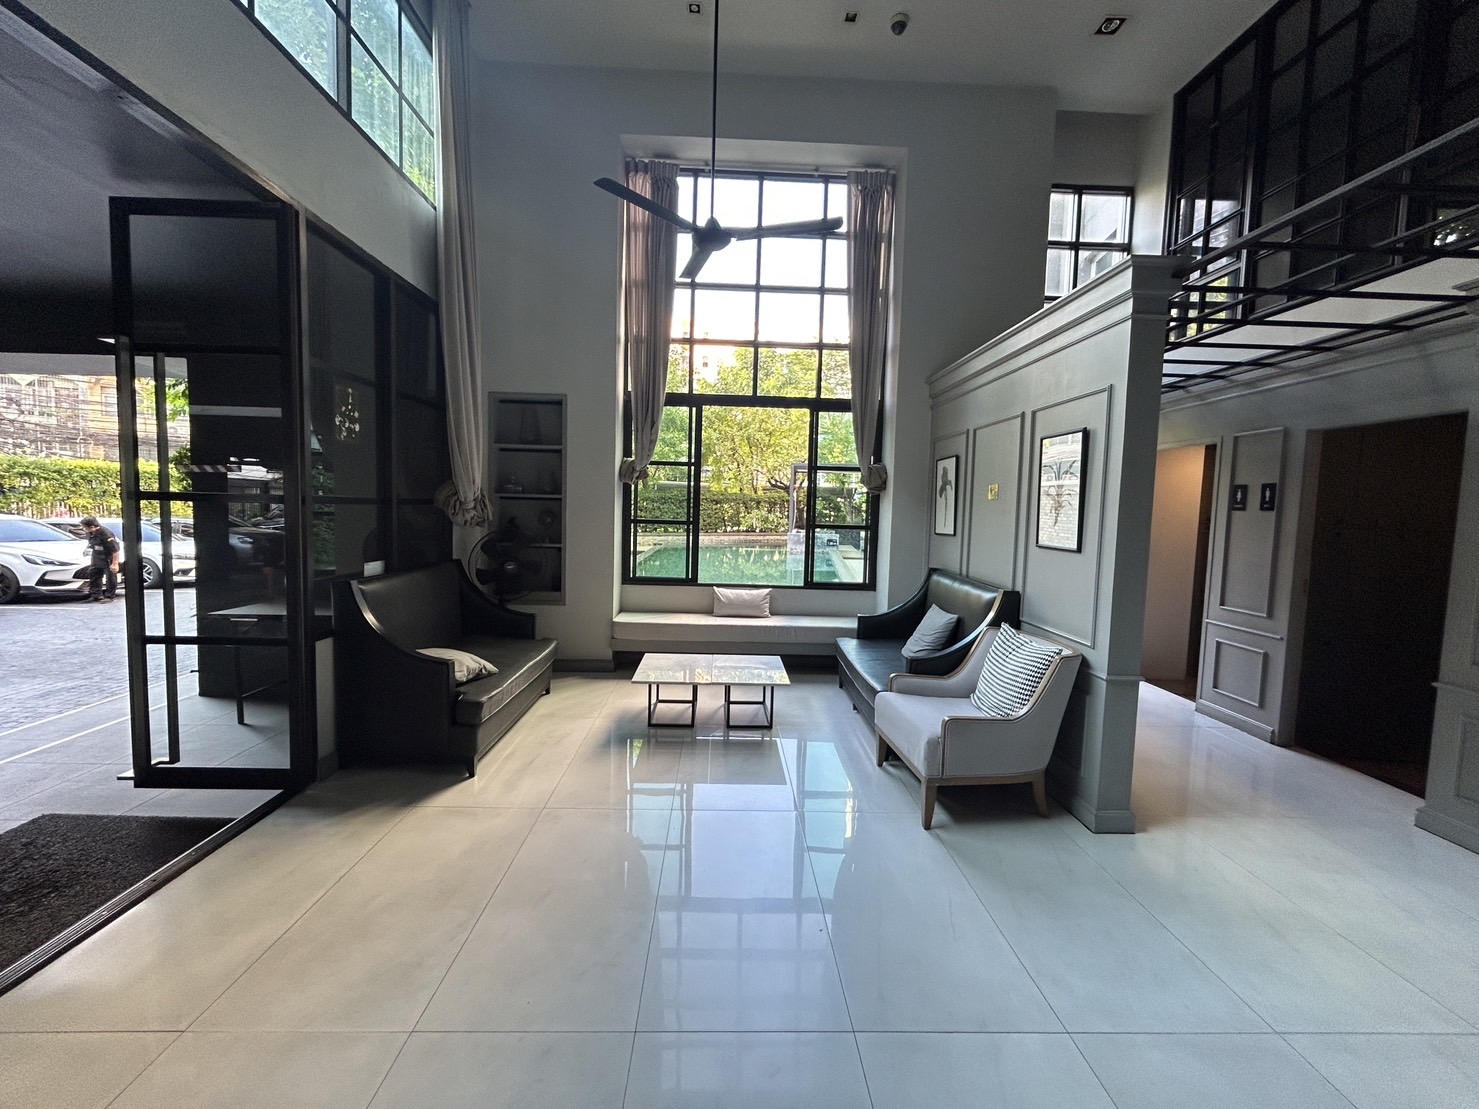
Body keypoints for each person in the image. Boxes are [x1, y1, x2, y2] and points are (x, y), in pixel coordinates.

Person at [81, 516, 120, 602]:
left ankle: (109, 596)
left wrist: (115, 563)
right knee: (94, 574)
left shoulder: (106, 534)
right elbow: (92, 543)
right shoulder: (90, 533)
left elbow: (115, 550)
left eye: (85, 527)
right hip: (97, 556)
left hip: (108, 557)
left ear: (92, 527)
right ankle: (96, 595)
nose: (84, 529)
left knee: (110, 577)